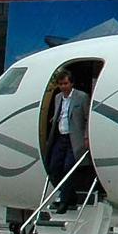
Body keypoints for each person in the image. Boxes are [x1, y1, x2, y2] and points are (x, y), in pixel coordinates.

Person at [41, 69, 92, 202]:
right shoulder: (58, 97)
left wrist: (86, 136)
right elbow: (61, 112)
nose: (63, 87)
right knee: (53, 167)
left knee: (68, 168)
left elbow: (88, 118)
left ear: (71, 83)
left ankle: (64, 200)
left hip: (75, 139)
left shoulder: (82, 97)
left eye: (65, 83)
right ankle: (70, 195)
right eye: (61, 84)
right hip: (61, 137)